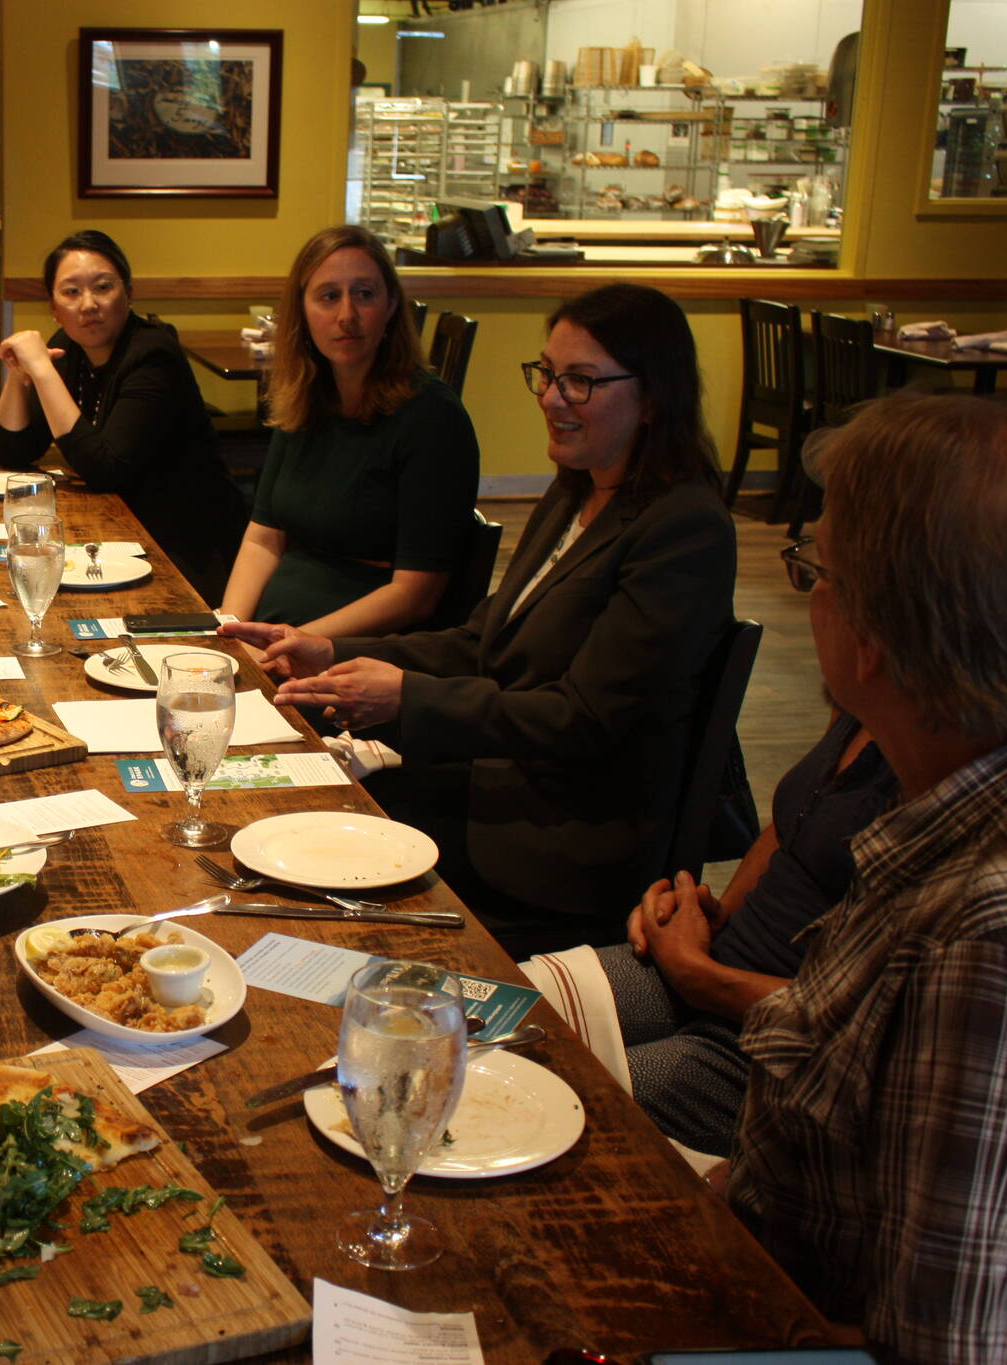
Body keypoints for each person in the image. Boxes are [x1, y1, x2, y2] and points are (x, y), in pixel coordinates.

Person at [223, 283, 735, 958]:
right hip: (497, 782)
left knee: (303, 854)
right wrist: (328, 646)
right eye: (548, 374)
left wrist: (405, 697)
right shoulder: (578, 488)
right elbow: (482, 641)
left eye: (580, 382)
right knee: (286, 813)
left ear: (653, 398)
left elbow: (582, 719)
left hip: (563, 836)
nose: (551, 398)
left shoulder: (684, 528)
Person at [729, 394, 1007, 1359]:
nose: (805, 592)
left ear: (874, 637)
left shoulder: (991, 938)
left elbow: (938, 1345)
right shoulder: (950, 810)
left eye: (813, 570)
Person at [521, 712, 896, 1159]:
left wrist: (700, 977)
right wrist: (713, 914)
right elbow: (792, 828)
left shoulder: (946, 764)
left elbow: (880, 1025)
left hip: (783, 1051)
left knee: (538, 1109)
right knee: (474, 1019)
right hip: (717, 968)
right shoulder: (862, 707)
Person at [219, 225, 479, 635]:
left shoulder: (433, 419)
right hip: (276, 633)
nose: (347, 315)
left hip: (360, 653)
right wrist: (228, 629)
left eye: (364, 294)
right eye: (328, 296)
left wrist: (292, 643)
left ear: (392, 305)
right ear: (301, 311)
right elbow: (263, 539)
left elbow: (416, 595)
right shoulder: (305, 398)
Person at [0, 230, 248, 603]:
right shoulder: (68, 347)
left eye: (103, 287)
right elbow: (15, 451)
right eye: (72, 292)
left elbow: (105, 468)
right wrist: (19, 376)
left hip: (184, 547)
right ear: (53, 306)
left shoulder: (153, 355)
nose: (89, 304)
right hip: (117, 534)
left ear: (128, 293)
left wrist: (42, 371)